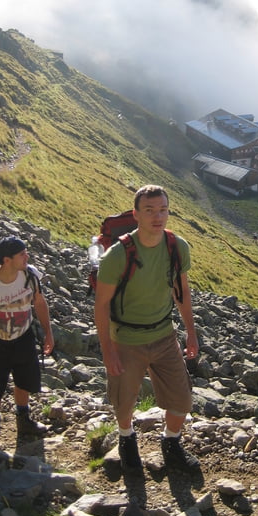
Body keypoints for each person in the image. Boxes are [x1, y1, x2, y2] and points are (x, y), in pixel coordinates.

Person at [94, 184, 200, 473]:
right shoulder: (118, 255)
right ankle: (127, 440)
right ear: (136, 214)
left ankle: (171, 443)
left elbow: (182, 291)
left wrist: (190, 332)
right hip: (126, 339)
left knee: (181, 398)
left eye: (163, 210)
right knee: (123, 399)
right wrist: (108, 351)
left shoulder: (177, 247)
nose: (158, 216)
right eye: (150, 210)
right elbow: (101, 305)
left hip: (165, 335)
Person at [0, 236, 55, 449]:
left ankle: (24, 420)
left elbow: (39, 302)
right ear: (7, 260)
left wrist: (48, 332)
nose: (27, 257)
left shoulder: (30, 275)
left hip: (23, 336)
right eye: (22, 254)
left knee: (24, 378)